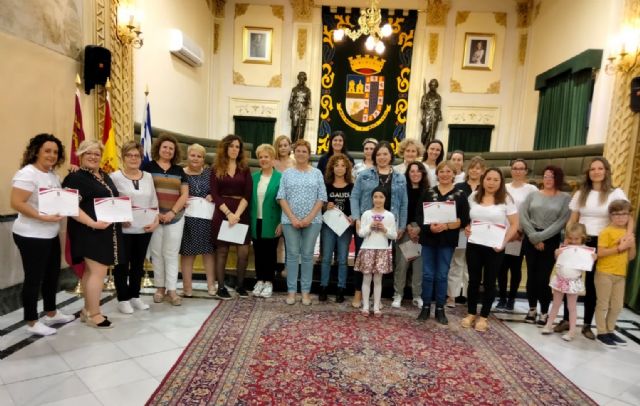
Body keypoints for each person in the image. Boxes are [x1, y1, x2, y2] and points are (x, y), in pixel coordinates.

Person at [555, 157, 631, 339]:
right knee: (571, 279)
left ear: (606, 171)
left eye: (600, 168)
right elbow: (573, 218)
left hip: (603, 242)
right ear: (588, 173)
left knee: (592, 284)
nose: (596, 172)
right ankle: (566, 319)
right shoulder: (582, 193)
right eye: (592, 169)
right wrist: (567, 240)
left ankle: (587, 324)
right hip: (579, 240)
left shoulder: (616, 193)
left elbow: (629, 216)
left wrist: (628, 236)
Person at [10, 133, 75, 335]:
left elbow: (56, 200)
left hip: (49, 233)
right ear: (36, 151)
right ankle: (31, 321)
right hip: (31, 235)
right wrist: (41, 217)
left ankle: (51, 312)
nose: (52, 155)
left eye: (55, 152)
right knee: (34, 278)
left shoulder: (52, 175)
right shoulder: (27, 174)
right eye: (47, 151)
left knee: (51, 275)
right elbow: (16, 203)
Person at [63, 139, 124, 329]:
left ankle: (87, 311)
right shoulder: (75, 177)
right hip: (88, 231)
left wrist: (123, 215)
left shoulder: (105, 176)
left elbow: (113, 200)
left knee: (92, 272)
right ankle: (94, 314)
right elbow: (69, 206)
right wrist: (92, 223)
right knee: (98, 272)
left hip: (106, 231)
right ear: (81, 155)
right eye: (88, 153)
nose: (93, 157)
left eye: (97, 153)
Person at [351, 141, 408, 307]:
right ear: (374, 156)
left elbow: (404, 203)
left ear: (391, 155)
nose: (382, 157)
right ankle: (358, 294)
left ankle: (375, 299)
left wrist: (401, 226)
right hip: (366, 223)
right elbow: (354, 197)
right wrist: (357, 218)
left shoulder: (399, 177)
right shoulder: (364, 174)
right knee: (362, 261)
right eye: (379, 154)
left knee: (380, 263)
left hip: (388, 226)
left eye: (385, 154)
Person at [461, 168, 519, 332]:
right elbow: (469, 219)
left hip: (495, 247)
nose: (491, 182)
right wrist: (467, 228)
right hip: (474, 244)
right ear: (482, 180)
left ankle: (484, 316)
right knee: (473, 280)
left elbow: (515, 224)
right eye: (488, 179)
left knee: (489, 282)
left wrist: (504, 241)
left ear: (500, 182)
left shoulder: (506, 199)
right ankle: (471, 313)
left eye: (495, 180)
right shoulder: (474, 196)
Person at [416, 161, 470, 324]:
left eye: (448, 171)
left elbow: (464, 219)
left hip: (447, 241)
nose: (445, 174)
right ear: (437, 174)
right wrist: (429, 227)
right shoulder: (428, 192)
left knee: (441, 275)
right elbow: (419, 216)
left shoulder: (460, 195)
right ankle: (425, 306)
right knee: (427, 274)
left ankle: (440, 308)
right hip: (428, 239)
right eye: (442, 171)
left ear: (454, 174)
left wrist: (446, 226)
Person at [111, 141, 159, 314]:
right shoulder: (115, 177)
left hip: (144, 228)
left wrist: (155, 222)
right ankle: (123, 299)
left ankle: (135, 296)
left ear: (141, 158)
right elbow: (112, 202)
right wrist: (119, 218)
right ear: (123, 158)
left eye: (136, 155)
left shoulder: (147, 176)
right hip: (123, 229)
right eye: (129, 155)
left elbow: (154, 201)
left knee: (138, 264)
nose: (133, 158)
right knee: (122, 265)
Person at [277, 139, 326, 305]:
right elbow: (281, 197)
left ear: (309, 153)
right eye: (298, 150)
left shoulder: (317, 173)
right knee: (291, 256)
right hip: (290, 221)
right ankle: (291, 292)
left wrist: (308, 219)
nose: (301, 154)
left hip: (313, 221)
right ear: (294, 152)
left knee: (306, 256)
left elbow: (321, 198)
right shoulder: (287, 173)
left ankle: (305, 292)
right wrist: (293, 218)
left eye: (304, 151)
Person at [520, 166, 571, 324]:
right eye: (546, 176)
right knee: (532, 276)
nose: (548, 179)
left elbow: (561, 222)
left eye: (552, 176)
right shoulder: (532, 195)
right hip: (530, 238)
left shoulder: (565, 198)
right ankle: (532, 309)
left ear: (558, 179)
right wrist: (534, 237)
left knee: (543, 278)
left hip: (550, 241)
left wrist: (540, 237)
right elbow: (523, 216)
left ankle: (544, 311)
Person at [142, 134, 189, 306]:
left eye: (171, 148)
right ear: (158, 148)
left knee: (171, 254)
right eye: (165, 147)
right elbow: (145, 191)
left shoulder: (179, 170)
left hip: (175, 218)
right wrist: (157, 213)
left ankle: (172, 290)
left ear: (174, 151)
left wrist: (172, 212)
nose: (168, 150)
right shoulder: (147, 167)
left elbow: (184, 194)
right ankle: (160, 287)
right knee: (156, 253)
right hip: (155, 217)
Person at [210, 135, 253, 299]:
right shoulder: (216, 168)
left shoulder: (245, 168)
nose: (235, 149)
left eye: (237, 147)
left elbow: (247, 194)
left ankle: (240, 286)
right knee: (222, 251)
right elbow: (214, 193)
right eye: (232, 146)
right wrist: (228, 214)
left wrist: (237, 215)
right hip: (222, 212)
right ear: (225, 148)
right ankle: (221, 287)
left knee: (243, 252)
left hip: (241, 213)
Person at [496, 159, 539, 313]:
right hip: (502, 232)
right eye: (515, 168)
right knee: (501, 267)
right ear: (511, 170)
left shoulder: (531, 189)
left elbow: (531, 212)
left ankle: (511, 298)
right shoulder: (504, 187)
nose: (518, 171)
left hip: (520, 234)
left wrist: (520, 231)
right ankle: (501, 297)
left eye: (521, 168)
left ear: (526, 171)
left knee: (515, 267)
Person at [594, 199, 636, 347]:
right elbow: (600, 253)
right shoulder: (606, 232)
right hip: (604, 272)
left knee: (617, 306)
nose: (620, 217)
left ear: (628, 216)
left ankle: (610, 330)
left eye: (624, 214)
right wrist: (619, 247)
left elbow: (631, 257)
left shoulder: (627, 232)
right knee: (603, 304)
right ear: (610, 216)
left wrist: (630, 244)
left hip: (620, 274)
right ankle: (601, 332)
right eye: (616, 214)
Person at [540, 223, 590, 341]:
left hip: (573, 282)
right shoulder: (564, 247)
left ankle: (572, 331)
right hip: (560, 279)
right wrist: (557, 253)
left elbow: (585, 265)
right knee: (555, 304)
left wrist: (592, 258)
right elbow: (558, 260)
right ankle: (549, 325)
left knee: (571, 307)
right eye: (571, 238)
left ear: (582, 237)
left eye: (576, 239)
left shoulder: (585, 251)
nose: (573, 241)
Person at [447, 156, 485, 307]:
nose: (475, 170)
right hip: (462, 229)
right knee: (457, 263)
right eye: (472, 168)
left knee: (473, 265)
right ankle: (452, 296)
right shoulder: (459, 186)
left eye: (478, 168)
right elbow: (453, 209)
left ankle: (470, 295)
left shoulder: (486, 187)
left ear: (483, 171)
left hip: (480, 232)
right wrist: (463, 224)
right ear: (467, 170)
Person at [179, 144, 216, 297]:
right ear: (188, 156)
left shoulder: (209, 173)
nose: (196, 159)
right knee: (188, 253)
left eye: (199, 156)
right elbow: (175, 191)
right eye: (193, 155)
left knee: (208, 252)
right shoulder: (180, 173)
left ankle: (211, 285)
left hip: (207, 218)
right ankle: (187, 287)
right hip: (187, 218)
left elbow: (218, 189)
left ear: (203, 159)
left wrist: (213, 195)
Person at [355, 187, 398, 316]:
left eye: (381, 197)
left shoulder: (389, 215)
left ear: (385, 199)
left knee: (378, 280)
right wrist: (370, 226)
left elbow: (394, 235)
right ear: (372, 198)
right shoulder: (367, 214)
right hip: (367, 249)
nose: (378, 200)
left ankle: (376, 306)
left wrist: (384, 229)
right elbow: (361, 233)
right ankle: (366, 306)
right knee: (367, 278)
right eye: (375, 197)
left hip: (382, 250)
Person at [392, 161, 428, 309]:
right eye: (412, 171)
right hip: (404, 229)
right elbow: (398, 208)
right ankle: (398, 294)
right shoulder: (402, 189)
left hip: (421, 231)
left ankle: (417, 295)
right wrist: (406, 227)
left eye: (418, 171)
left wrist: (419, 229)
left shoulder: (428, 191)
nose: (415, 174)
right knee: (402, 264)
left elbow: (429, 213)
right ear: (408, 173)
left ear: (423, 173)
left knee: (419, 265)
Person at [319, 154, 354, 303]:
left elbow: (355, 206)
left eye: (342, 165)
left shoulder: (352, 186)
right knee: (326, 258)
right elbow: (319, 205)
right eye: (336, 165)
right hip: (328, 226)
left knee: (342, 259)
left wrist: (353, 216)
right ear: (331, 168)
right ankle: (323, 287)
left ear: (347, 168)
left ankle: (341, 288)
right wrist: (326, 206)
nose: (339, 168)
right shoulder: (325, 185)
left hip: (345, 227)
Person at [250, 144, 282, 298]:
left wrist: (281, 222)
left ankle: (269, 282)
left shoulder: (280, 178)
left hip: (273, 221)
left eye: (266, 157)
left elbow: (285, 201)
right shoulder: (254, 177)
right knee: (258, 252)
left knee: (270, 253)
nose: (263, 159)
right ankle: (260, 280)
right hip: (256, 220)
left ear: (273, 159)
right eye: (261, 157)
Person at [288, 71, 311, 141]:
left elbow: (309, 102)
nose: (302, 80)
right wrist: (291, 112)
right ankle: (293, 142)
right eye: (300, 78)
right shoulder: (294, 89)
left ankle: (300, 143)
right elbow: (291, 101)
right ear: (298, 78)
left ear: (305, 79)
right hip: (295, 111)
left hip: (303, 111)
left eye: (303, 78)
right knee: (294, 127)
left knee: (301, 128)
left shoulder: (307, 90)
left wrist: (305, 111)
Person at [420, 79, 442, 146]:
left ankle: (430, 147)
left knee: (432, 133)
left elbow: (439, 107)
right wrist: (424, 102)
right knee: (426, 131)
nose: (433, 87)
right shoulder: (425, 96)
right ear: (429, 86)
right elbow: (422, 106)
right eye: (432, 85)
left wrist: (440, 116)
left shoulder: (438, 97)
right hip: (427, 114)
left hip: (435, 115)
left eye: (435, 85)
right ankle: (422, 146)